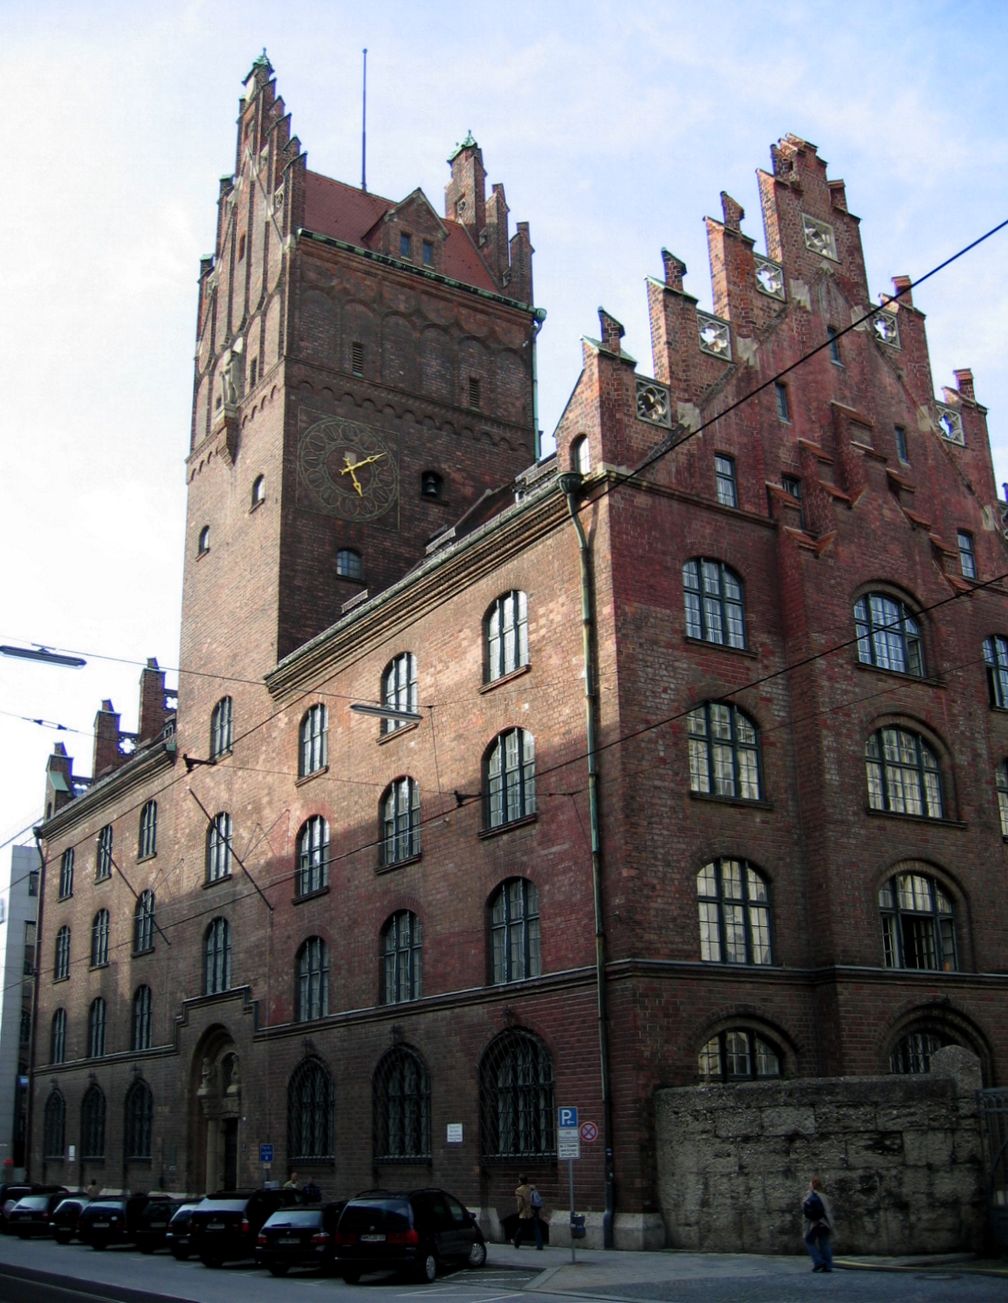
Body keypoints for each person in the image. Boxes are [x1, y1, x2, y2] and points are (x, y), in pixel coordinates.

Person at [802, 1175, 834, 1273]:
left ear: (812, 1185)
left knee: (809, 1241)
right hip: (826, 1223)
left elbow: (806, 1211)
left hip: (815, 1223)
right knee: (824, 1243)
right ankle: (828, 1266)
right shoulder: (825, 1197)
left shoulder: (810, 1196)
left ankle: (819, 1261)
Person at [513, 1174, 543, 1249]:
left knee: (521, 1228)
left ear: (520, 1181)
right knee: (536, 1228)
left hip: (525, 1213)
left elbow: (520, 1203)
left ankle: (516, 1243)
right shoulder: (531, 1188)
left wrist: (519, 1211)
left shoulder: (518, 1190)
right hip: (533, 1211)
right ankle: (539, 1245)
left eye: (519, 1180)